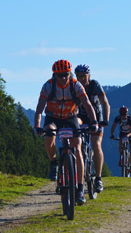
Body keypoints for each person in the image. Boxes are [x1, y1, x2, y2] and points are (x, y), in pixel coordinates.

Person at [34, 59, 99, 205]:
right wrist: (37, 126)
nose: (63, 78)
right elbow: (39, 109)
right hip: (53, 117)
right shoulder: (48, 86)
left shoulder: (76, 85)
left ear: (69, 73)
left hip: (70, 117)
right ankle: (53, 163)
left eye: (66, 74)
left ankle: (80, 190)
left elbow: (88, 105)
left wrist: (94, 122)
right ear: (54, 75)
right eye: (60, 75)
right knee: (49, 133)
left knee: (77, 148)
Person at [74, 64, 110, 193]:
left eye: (84, 76)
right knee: (78, 145)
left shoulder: (95, 85)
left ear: (89, 76)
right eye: (79, 77)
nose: (82, 79)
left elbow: (105, 103)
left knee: (96, 144)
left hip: (97, 118)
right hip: (81, 117)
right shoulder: (74, 86)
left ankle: (98, 178)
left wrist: (105, 120)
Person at [110, 106, 131, 173]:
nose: (123, 116)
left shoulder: (130, 119)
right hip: (122, 133)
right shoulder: (118, 118)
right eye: (122, 115)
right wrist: (112, 134)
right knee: (120, 145)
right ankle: (121, 157)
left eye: (125, 115)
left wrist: (128, 136)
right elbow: (113, 127)